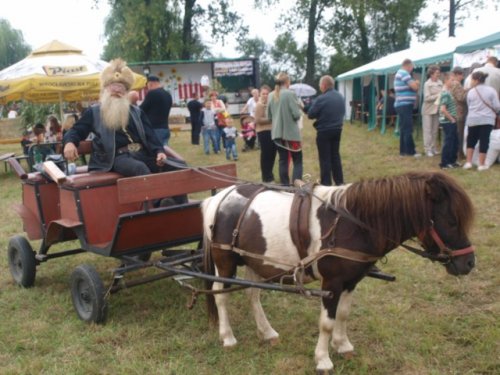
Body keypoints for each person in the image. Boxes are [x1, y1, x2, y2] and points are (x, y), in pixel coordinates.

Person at [63, 58, 167, 176]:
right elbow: (76, 131)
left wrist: (159, 151)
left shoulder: (137, 112)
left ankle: (168, 194)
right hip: (114, 159)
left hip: (141, 154)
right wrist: (69, 142)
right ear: (106, 89)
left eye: (121, 88)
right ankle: (156, 195)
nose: (117, 91)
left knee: (177, 166)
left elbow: (150, 135)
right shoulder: (94, 112)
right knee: (140, 169)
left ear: (126, 92)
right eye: (113, 87)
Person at [307, 75, 346, 186]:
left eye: (320, 85)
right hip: (337, 129)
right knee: (335, 156)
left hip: (324, 131)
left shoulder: (321, 98)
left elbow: (311, 114)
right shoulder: (340, 96)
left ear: (323, 85)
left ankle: (326, 183)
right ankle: (339, 181)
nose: (320, 87)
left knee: (325, 158)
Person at [267, 72, 303, 186]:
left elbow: (269, 116)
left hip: (277, 133)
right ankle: (297, 183)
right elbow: (296, 115)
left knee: (283, 160)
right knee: (297, 160)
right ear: (287, 82)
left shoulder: (270, 95)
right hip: (291, 134)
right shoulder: (290, 94)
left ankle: (285, 185)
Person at [463, 71, 500, 171]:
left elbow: (469, 105)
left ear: (476, 80)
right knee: (484, 141)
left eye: (472, 79)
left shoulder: (471, 92)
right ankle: (481, 164)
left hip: (472, 119)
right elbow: (497, 106)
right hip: (487, 120)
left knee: (471, 141)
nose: (471, 81)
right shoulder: (491, 90)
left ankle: (468, 162)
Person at [394, 58, 421, 157]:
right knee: (408, 128)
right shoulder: (404, 74)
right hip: (404, 105)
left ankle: (403, 151)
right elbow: (415, 87)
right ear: (409, 66)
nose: (412, 70)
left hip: (401, 104)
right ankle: (411, 151)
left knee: (403, 128)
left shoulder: (399, 73)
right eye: (412, 68)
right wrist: (417, 83)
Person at [140, 75, 173, 146]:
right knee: (164, 151)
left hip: (154, 129)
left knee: (156, 153)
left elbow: (141, 110)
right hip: (165, 128)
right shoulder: (167, 94)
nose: (147, 88)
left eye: (147, 86)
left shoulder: (152, 93)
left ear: (150, 84)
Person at [254, 85, 277, 183]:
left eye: (267, 93)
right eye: (263, 93)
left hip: (273, 131)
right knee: (266, 155)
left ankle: (270, 175)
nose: (265, 95)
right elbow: (257, 120)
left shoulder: (272, 104)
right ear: (260, 94)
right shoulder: (259, 105)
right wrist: (271, 119)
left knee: (272, 154)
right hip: (263, 132)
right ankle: (266, 177)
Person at [438, 73, 460, 169]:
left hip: (450, 120)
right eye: (451, 80)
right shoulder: (445, 93)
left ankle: (452, 161)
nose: (453, 82)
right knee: (449, 141)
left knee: (454, 141)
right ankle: (445, 162)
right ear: (446, 80)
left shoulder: (448, 91)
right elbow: (443, 109)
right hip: (448, 121)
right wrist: (451, 119)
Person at [421, 65, 443, 157]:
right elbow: (426, 98)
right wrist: (438, 95)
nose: (439, 74)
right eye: (437, 73)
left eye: (439, 73)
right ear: (431, 74)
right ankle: (427, 149)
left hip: (437, 109)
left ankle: (433, 148)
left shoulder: (440, 82)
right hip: (427, 110)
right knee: (427, 130)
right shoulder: (427, 84)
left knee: (434, 130)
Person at [449, 66, 468, 159]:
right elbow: (461, 98)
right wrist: (467, 91)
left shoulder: (452, 83)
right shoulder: (456, 84)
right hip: (459, 112)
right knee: (459, 133)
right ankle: (459, 153)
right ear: (456, 74)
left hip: (454, 111)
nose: (462, 77)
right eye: (461, 74)